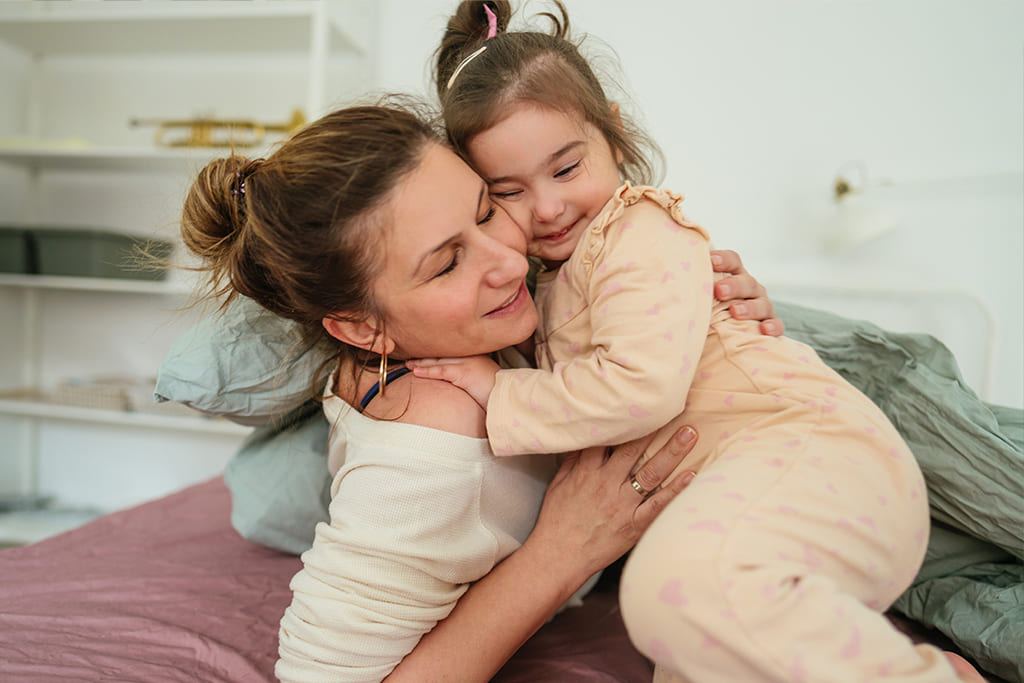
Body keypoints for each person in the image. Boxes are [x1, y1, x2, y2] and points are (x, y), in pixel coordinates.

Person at [414, 2, 989, 681]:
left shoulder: (638, 232)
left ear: (614, 138)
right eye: (509, 191)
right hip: (756, 494)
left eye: (566, 170)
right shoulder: (544, 285)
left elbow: (640, 388)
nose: (547, 207)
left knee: (672, 590)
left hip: (815, 456)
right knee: (694, 642)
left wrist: (500, 392)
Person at [179, 102, 786, 682]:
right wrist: (563, 551)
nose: (511, 263)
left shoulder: (453, 325)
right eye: (447, 264)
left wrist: (701, 301)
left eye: (488, 209)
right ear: (363, 329)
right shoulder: (431, 458)